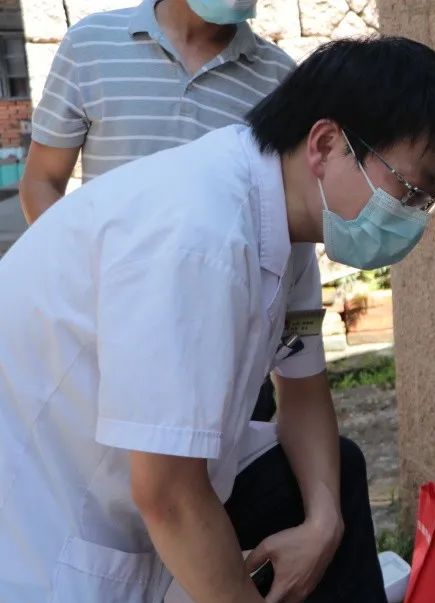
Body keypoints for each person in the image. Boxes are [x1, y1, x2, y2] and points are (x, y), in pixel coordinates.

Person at [0, 35, 435, 603]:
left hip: (146, 480)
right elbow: (167, 495)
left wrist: (323, 525)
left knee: (335, 476)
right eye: (407, 188)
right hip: (52, 522)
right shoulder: (198, 236)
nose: (411, 219)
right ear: (326, 143)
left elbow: (302, 388)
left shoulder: (287, 217)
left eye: (425, 202)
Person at [19, 0, 297, 422]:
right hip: (108, 349)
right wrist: (86, 283)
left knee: (233, 484)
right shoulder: (90, 46)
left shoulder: (279, 78)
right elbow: (42, 182)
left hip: (224, 353)